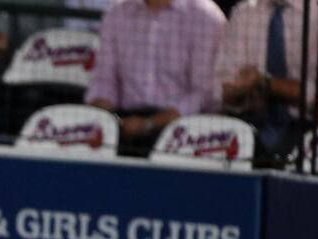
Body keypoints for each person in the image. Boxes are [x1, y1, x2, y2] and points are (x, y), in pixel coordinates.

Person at [84, 0, 226, 151]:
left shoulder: (205, 16)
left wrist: (150, 123)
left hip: (184, 131)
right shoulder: (117, 11)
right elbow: (103, 80)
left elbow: (204, 93)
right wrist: (105, 118)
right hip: (124, 122)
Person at [215, 0, 318, 160]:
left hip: (307, 128)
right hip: (250, 125)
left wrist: (266, 83)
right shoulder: (244, 13)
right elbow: (220, 89)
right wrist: (238, 91)